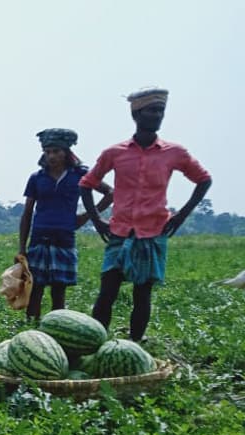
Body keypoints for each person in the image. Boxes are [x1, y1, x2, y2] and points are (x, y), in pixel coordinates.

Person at [79, 88, 212, 341]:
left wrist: (181, 215)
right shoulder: (115, 152)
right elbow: (87, 183)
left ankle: (135, 344)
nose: (157, 116)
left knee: (143, 294)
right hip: (120, 231)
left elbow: (203, 180)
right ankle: (94, 344)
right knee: (107, 291)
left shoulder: (175, 152)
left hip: (153, 230)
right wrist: (96, 220)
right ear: (137, 115)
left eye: (160, 111)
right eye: (152, 111)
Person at [17, 128, 113, 321]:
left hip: (64, 237)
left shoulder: (80, 174)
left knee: (59, 290)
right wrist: (22, 248)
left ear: (66, 152)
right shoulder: (37, 178)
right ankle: (30, 327)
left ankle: (57, 327)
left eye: (56, 151)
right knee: (36, 288)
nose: (51, 156)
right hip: (39, 237)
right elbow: (27, 213)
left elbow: (110, 193)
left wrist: (86, 216)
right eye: (48, 152)